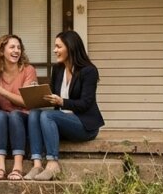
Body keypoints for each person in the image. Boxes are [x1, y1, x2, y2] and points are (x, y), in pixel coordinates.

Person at [26, 30, 105, 181]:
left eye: (58, 46)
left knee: (47, 115)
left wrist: (62, 102)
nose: (55, 50)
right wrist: (37, 91)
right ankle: (36, 164)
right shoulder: (58, 69)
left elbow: (85, 103)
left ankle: (53, 163)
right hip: (62, 121)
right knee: (35, 113)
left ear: (70, 47)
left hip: (84, 124)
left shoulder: (89, 71)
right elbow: (52, 96)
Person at [0, 34, 38, 180]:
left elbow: (27, 102)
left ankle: (18, 167)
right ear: (1, 50)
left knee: (14, 114)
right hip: (4, 117)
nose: (16, 51)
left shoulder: (28, 70)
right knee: (1, 115)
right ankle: (0, 167)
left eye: (19, 47)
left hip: (24, 117)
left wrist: (2, 91)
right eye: (12, 47)